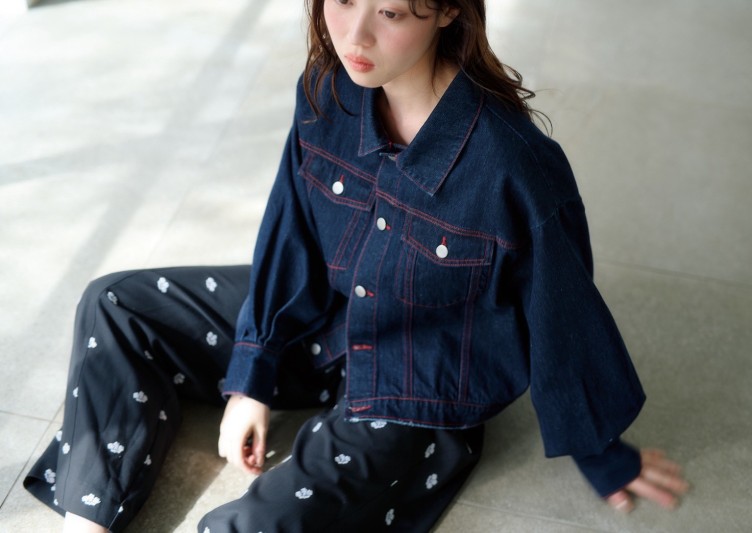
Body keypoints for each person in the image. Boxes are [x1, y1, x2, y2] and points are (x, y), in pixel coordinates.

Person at [24, 0, 689, 531]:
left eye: (391, 13)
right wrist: (252, 373)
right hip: (324, 321)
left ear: (449, 10)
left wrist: (603, 454)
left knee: (254, 526)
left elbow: (562, 315)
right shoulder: (326, 91)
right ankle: (89, 519)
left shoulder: (513, 164)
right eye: (342, 0)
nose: (354, 35)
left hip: (419, 385)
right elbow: (288, 231)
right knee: (115, 303)